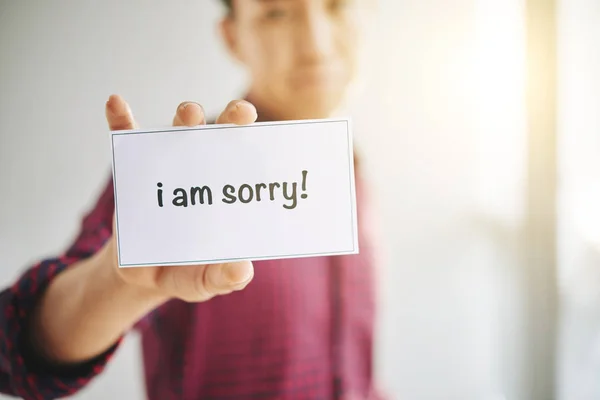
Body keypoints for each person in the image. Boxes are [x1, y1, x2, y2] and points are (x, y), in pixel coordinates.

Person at [0, 0, 381, 399]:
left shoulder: (352, 171)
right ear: (233, 38)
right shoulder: (180, 171)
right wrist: (116, 283)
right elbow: (17, 352)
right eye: (276, 13)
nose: (316, 44)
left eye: (338, 5)